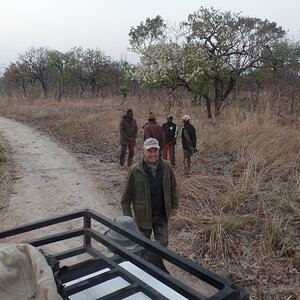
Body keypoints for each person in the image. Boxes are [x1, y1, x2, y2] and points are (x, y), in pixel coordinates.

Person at [121, 138, 178, 247]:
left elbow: (172, 188)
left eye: (155, 151)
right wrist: (129, 220)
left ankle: (157, 263)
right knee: (141, 246)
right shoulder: (135, 170)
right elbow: (125, 198)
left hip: (161, 215)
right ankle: (142, 263)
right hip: (142, 217)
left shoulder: (166, 167)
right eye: (149, 151)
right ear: (144, 151)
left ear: (159, 151)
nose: (153, 154)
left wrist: (174, 205)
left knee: (163, 244)